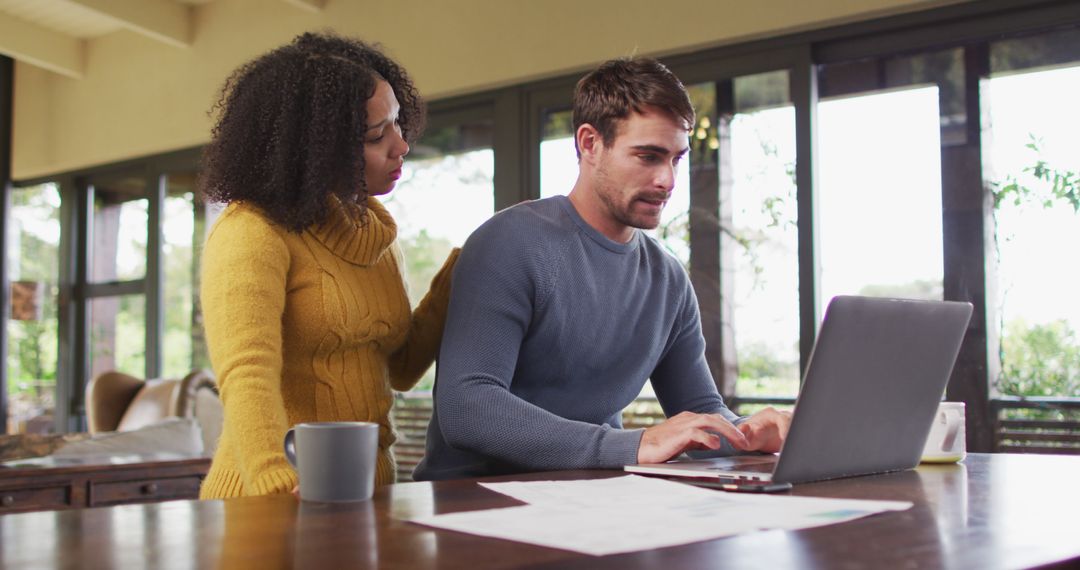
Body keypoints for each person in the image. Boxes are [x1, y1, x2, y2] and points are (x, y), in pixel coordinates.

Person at [414, 57, 790, 481]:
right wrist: (635, 444)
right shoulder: (508, 243)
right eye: (648, 156)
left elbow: (700, 411)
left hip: (592, 499)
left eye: (676, 159)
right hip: (472, 504)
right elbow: (468, 408)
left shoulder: (667, 279)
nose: (667, 180)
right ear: (590, 144)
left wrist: (747, 433)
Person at [198, 32, 458, 499]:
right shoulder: (252, 231)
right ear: (313, 151)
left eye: (398, 123)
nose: (401, 146)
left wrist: (461, 274)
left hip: (368, 493)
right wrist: (275, 479)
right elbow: (246, 374)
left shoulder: (376, 237)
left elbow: (400, 368)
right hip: (270, 498)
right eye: (377, 135)